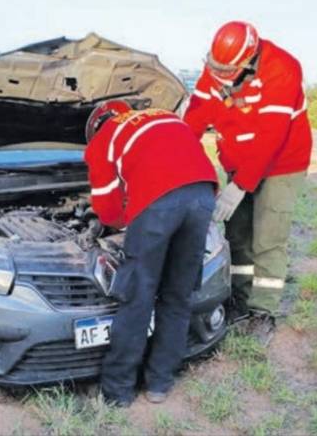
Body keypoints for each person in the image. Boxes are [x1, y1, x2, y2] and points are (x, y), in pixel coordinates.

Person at [182, 21, 312, 337]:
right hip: (238, 161)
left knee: (267, 237)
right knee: (237, 234)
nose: (217, 75)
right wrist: (179, 160)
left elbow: (271, 137)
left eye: (226, 71)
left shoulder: (283, 68)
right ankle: (240, 299)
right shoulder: (216, 67)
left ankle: (263, 311)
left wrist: (239, 187)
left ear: (247, 61)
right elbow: (196, 117)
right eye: (213, 67)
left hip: (282, 163)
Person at [84, 100, 217, 407]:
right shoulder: (165, 117)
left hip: (159, 202)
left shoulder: (105, 137)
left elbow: (107, 208)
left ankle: (117, 392)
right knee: (178, 294)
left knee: (138, 295)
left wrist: (119, 225)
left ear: (96, 126)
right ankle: (160, 383)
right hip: (202, 194)